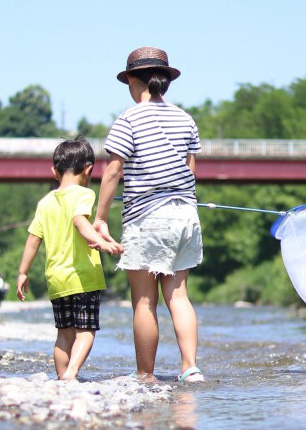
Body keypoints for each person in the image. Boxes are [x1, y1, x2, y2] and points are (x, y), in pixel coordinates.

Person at [93, 47, 204, 383]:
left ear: (130, 79)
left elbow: (114, 170)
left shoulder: (129, 118)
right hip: (186, 215)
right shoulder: (185, 118)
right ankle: (190, 368)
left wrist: (100, 217)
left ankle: (145, 374)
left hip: (147, 218)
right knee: (179, 295)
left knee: (144, 300)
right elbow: (190, 168)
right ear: (165, 81)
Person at [16, 135, 123, 380]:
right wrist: (100, 242)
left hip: (56, 279)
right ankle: (71, 374)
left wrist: (23, 272)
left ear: (55, 171)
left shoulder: (44, 202)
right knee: (85, 331)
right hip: (83, 278)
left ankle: (62, 376)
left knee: (64, 333)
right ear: (88, 169)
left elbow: (33, 238)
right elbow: (79, 221)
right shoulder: (84, 195)